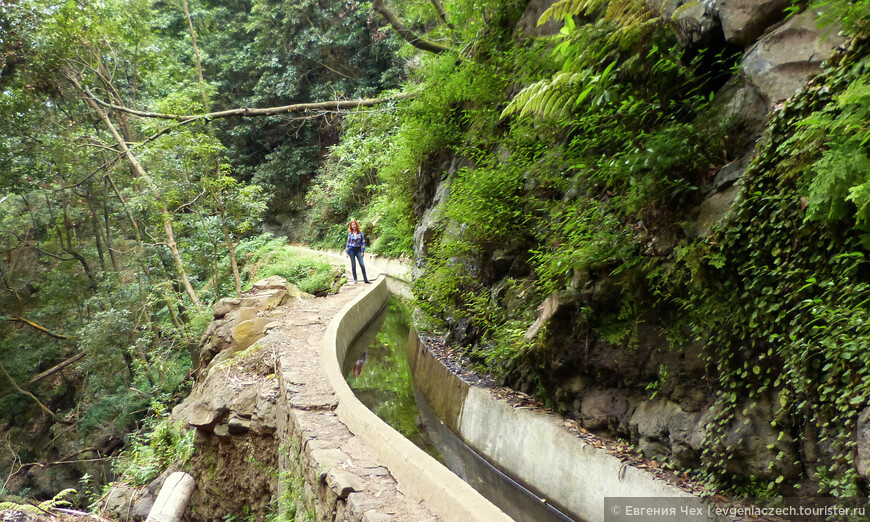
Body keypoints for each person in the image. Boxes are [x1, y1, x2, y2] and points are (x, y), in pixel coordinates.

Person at [345, 219, 370, 284]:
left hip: (358, 250)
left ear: (356, 225)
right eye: (352, 225)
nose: (353, 226)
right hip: (351, 250)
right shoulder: (350, 234)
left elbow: (363, 243)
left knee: (362, 264)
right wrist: (347, 252)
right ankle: (355, 279)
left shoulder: (360, 233)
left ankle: (365, 279)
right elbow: (347, 243)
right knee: (353, 265)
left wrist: (362, 251)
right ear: (351, 226)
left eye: (354, 224)